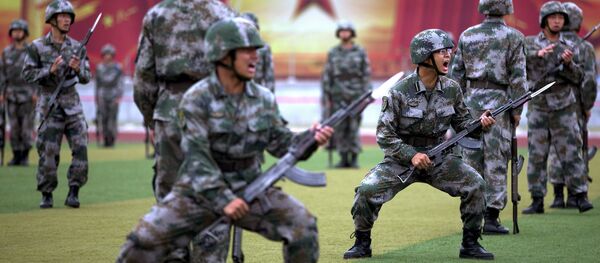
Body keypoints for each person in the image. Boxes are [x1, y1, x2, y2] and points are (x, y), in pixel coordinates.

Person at [116, 18, 333, 263]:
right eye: (246, 50)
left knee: (303, 227)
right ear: (223, 55)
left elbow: (281, 143)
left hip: (250, 187)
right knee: (139, 244)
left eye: (256, 50)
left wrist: (310, 139)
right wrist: (224, 199)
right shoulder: (196, 99)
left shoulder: (263, 99)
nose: (255, 57)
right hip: (199, 192)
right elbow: (197, 157)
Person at [343, 29, 496, 260]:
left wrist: (482, 124)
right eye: (441, 52)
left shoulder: (452, 88)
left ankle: (471, 243)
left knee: (475, 184)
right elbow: (385, 135)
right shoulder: (399, 92)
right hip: (402, 159)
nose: (448, 56)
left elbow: (464, 125)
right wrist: (411, 155)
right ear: (425, 56)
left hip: (440, 157)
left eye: (449, 51)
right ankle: (362, 243)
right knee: (366, 191)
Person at [134, 0, 235, 203]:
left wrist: (151, 119)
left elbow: (143, 79)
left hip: (169, 112)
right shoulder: (224, 13)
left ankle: (173, 234)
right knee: (214, 188)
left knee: (170, 195)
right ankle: (211, 235)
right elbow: (236, 71)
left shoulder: (157, 15)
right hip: (213, 110)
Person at [449, 0, 527, 235]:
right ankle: (491, 218)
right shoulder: (513, 36)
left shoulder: (467, 34)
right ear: (506, 8)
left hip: (471, 101)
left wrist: (458, 107)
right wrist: (517, 111)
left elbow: (457, 74)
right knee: (496, 159)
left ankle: (472, 214)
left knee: (471, 158)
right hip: (500, 103)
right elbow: (518, 77)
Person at [522, 1, 593, 214]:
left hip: (564, 104)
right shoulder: (529, 43)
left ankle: (579, 195)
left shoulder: (571, 47)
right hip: (539, 106)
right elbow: (519, 65)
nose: (557, 21)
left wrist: (569, 64)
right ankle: (536, 199)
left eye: (560, 18)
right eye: (553, 17)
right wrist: (538, 56)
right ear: (544, 20)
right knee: (537, 154)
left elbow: (580, 77)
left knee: (571, 151)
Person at [21, 0, 91, 209]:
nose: (67, 20)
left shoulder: (78, 47)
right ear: (52, 20)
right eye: (62, 16)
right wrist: (48, 71)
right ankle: (47, 193)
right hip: (49, 105)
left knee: (81, 148)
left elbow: (87, 77)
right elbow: (27, 74)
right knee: (48, 152)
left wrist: (78, 69)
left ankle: (74, 191)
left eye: (69, 16)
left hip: (73, 105)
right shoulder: (37, 47)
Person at [547, 2, 597, 209]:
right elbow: (589, 81)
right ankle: (576, 194)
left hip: (552, 101)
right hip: (574, 103)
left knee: (555, 147)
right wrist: (587, 105)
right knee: (574, 147)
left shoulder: (553, 43)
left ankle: (558, 195)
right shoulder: (584, 47)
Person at [321, 20, 371, 168]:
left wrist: (366, 94)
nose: (344, 33)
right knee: (341, 127)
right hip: (338, 94)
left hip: (356, 95)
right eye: (341, 31)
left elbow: (366, 73)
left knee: (354, 126)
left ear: (352, 33)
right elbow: (328, 74)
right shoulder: (333, 52)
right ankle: (343, 158)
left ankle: (354, 158)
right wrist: (326, 93)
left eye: (347, 31)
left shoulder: (360, 51)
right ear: (338, 34)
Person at [1, 19, 37, 166]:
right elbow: (2, 74)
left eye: (20, 30)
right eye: (14, 31)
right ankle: (16, 155)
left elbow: (37, 73)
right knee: (14, 128)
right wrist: (2, 92)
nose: (17, 33)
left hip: (28, 95)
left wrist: (36, 92)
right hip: (11, 95)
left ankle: (25, 156)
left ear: (25, 33)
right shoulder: (6, 53)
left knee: (26, 127)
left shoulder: (32, 52)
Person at [94, 43, 123, 147]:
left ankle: (112, 140)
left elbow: (120, 83)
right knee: (103, 119)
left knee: (112, 119)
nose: (107, 56)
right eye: (105, 54)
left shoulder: (118, 67)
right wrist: (96, 98)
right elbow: (97, 84)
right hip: (102, 94)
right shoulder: (99, 68)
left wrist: (119, 96)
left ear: (112, 55)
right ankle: (105, 140)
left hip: (114, 95)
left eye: (109, 53)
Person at [241, 12, 275, 93]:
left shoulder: (264, 47)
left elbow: (269, 75)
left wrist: (269, 97)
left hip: (256, 94)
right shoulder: (235, 47)